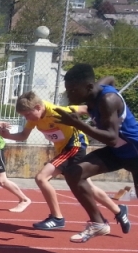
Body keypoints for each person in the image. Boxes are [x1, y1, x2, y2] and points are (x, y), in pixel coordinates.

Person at [0, 90, 129, 233]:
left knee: (41, 178)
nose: (26, 118)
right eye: (24, 115)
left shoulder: (58, 112)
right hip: (63, 150)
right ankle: (119, 210)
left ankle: (57, 218)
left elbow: (86, 108)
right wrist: (8, 135)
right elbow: (23, 135)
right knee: (87, 187)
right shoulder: (33, 118)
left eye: (27, 114)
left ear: (38, 107)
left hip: (75, 146)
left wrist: (110, 121)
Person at [54, 63, 138, 243]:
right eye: (68, 90)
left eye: (73, 90)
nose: (69, 94)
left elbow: (112, 138)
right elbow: (110, 79)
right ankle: (98, 223)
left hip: (134, 152)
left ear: (88, 87)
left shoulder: (108, 100)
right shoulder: (96, 90)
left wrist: (78, 124)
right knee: (74, 173)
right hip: (117, 152)